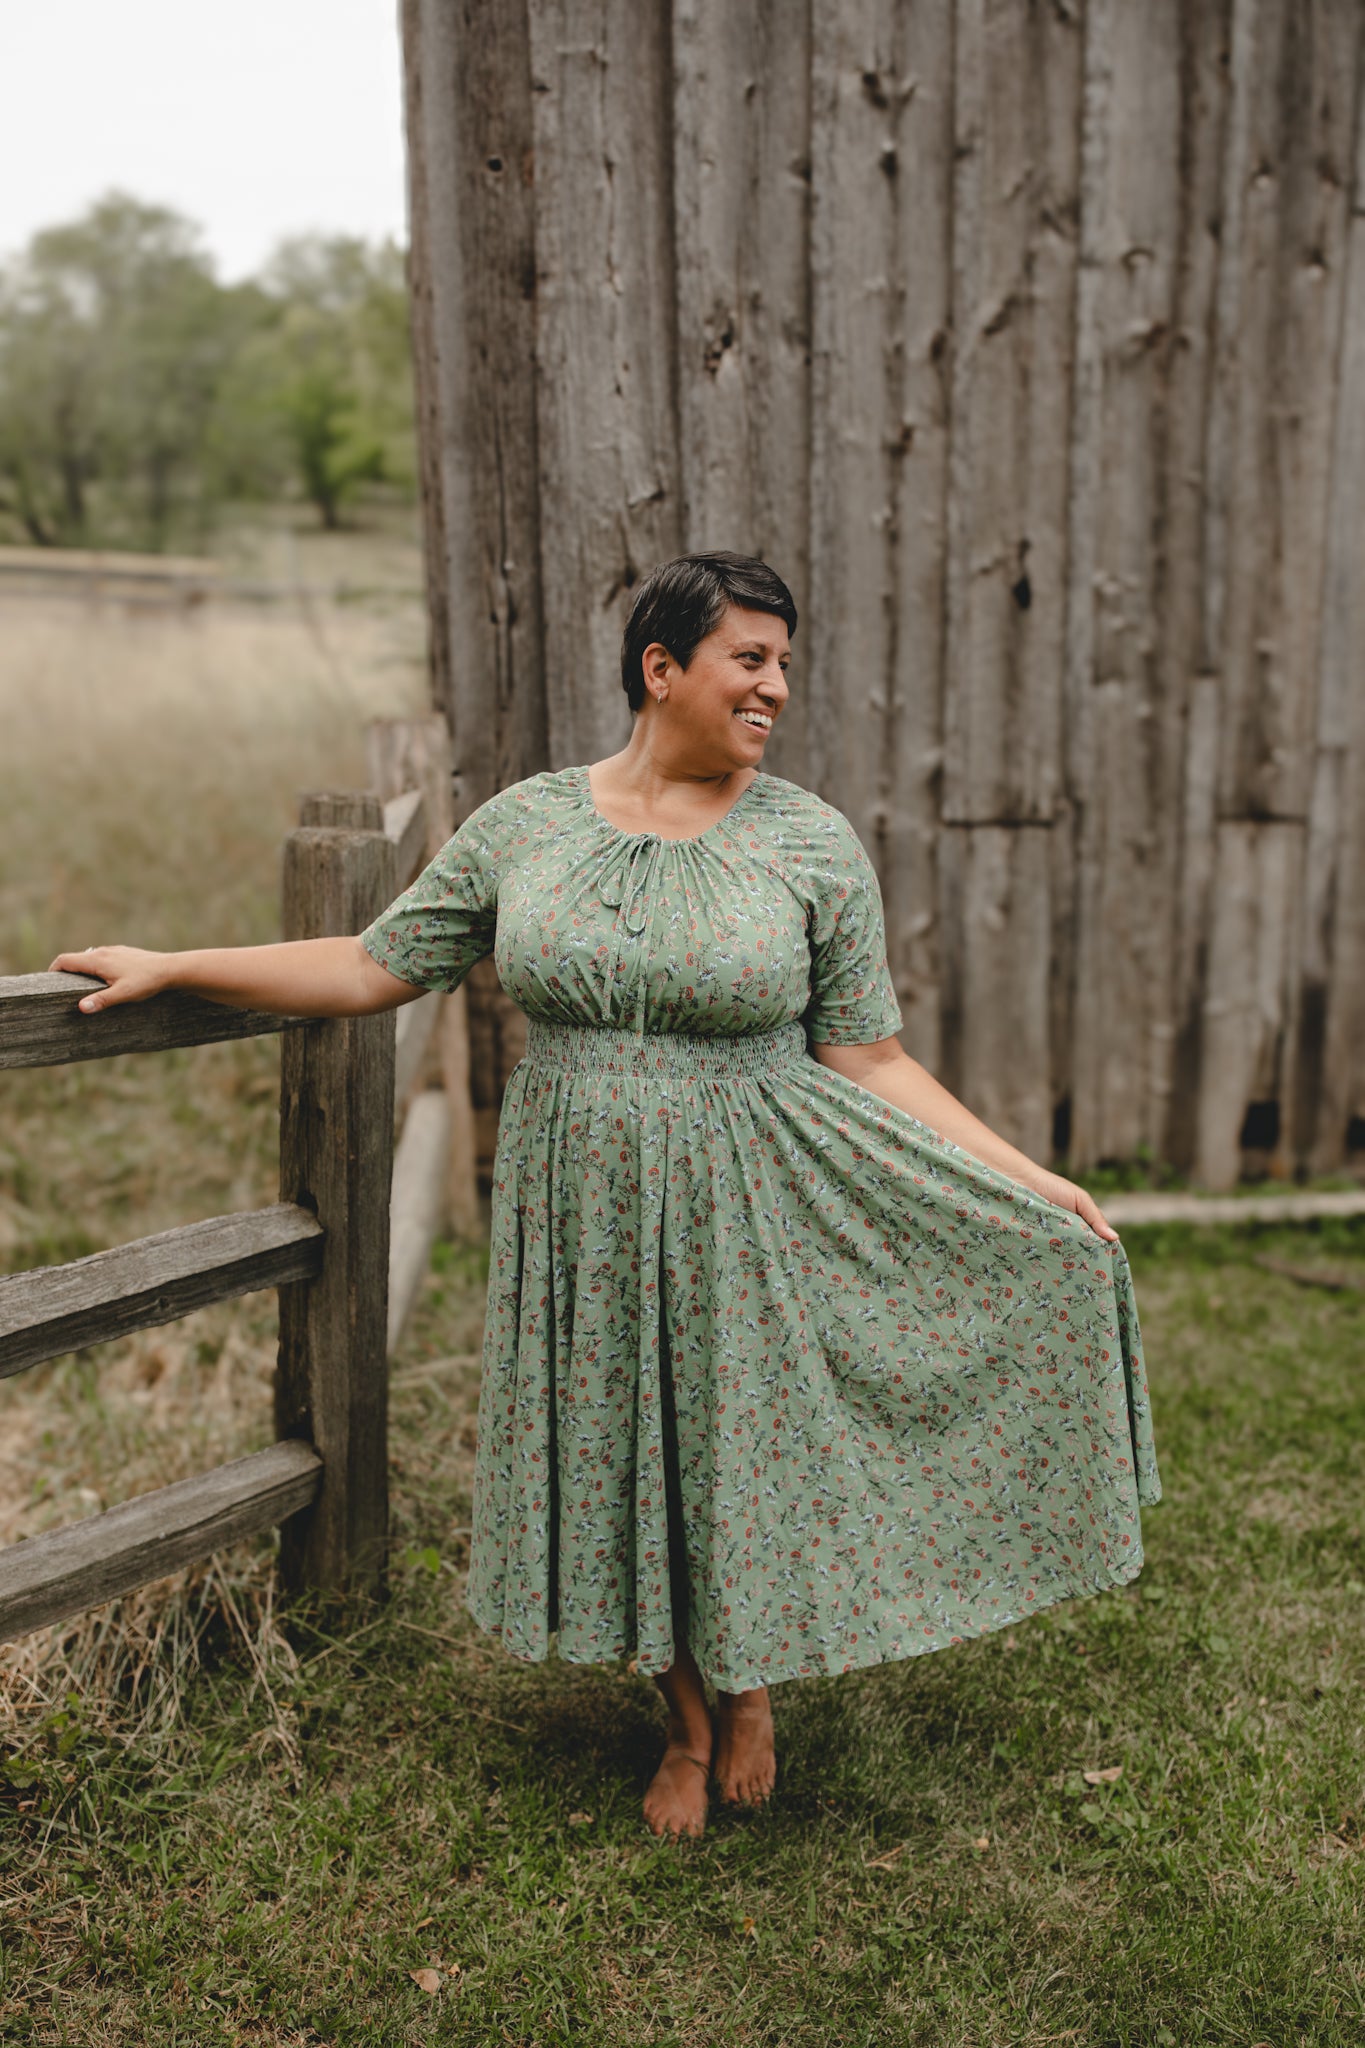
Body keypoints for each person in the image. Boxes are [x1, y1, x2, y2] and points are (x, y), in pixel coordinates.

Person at [52, 550, 1160, 1843]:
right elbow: (371, 964)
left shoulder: (806, 841)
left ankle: (747, 1686)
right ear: (660, 669)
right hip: (576, 1200)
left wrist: (1029, 1180)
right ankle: (684, 1718)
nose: (775, 689)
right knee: (619, 1446)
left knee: (738, 1446)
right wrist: (179, 961)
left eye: (784, 665)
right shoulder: (527, 824)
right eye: (750, 659)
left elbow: (867, 1053)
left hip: (757, 1192)